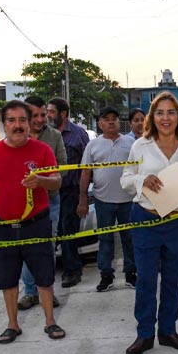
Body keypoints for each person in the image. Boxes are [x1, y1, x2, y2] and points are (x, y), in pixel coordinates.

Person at [120, 92, 178, 354]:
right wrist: (141, 180)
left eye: (171, 112)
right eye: (160, 113)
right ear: (152, 117)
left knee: (173, 280)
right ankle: (144, 334)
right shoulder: (141, 146)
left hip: (177, 221)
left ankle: (168, 331)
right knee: (146, 279)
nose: (165, 118)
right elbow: (126, 179)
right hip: (146, 219)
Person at [0, 100, 65, 343]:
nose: (18, 125)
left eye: (22, 120)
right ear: (4, 125)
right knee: (7, 278)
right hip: (3, 227)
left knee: (45, 277)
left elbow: (56, 181)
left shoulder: (42, 150)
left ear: (29, 123)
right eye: (12, 121)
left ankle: (50, 322)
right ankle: (12, 325)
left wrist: (42, 182)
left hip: (36, 223)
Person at [77, 106, 136, 292]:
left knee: (130, 239)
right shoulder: (92, 145)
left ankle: (131, 273)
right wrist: (83, 198)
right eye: (107, 119)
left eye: (115, 118)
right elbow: (85, 172)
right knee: (105, 239)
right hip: (103, 200)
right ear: (100, 123)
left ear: (120, 122)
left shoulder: (131, 143)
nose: (111, 122)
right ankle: (106, 275)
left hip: (129, 200)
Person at [18, 96, 66, 311]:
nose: (39, 119)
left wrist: (43, 180)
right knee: (25, 248)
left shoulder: (54, 137)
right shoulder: (16, 137)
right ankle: (30, 292)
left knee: (46, 247)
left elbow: (62, 168)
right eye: (34, 115)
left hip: (50, 201)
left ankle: (46, 289)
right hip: (22, 204)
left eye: (42, 114)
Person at [48, 97, 89, 288]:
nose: (48, 115)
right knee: (52, 232)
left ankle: (72, 270)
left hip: (70, 191)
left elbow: (87, 167)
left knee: (67, 232)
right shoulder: (47, 135)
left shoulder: (78, 134)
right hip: (49, 192)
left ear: (63, 114)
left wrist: (83, 197)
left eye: (51, 111)